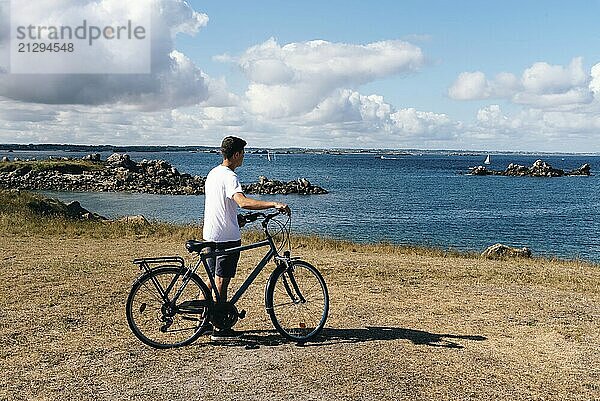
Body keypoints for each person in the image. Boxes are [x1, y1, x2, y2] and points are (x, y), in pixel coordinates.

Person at [202, 136, 290, 341]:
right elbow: (241, 201)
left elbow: (222, 205)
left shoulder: (213, 173)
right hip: (226, 237)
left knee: (210, 281)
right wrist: (273, 204)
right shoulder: (230, 177)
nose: (244, 157)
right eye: (243, 153)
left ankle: (203, 322)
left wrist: (238, 219)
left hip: (210, 234)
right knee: (221, 282)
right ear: (236, 154)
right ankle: (220, 329)